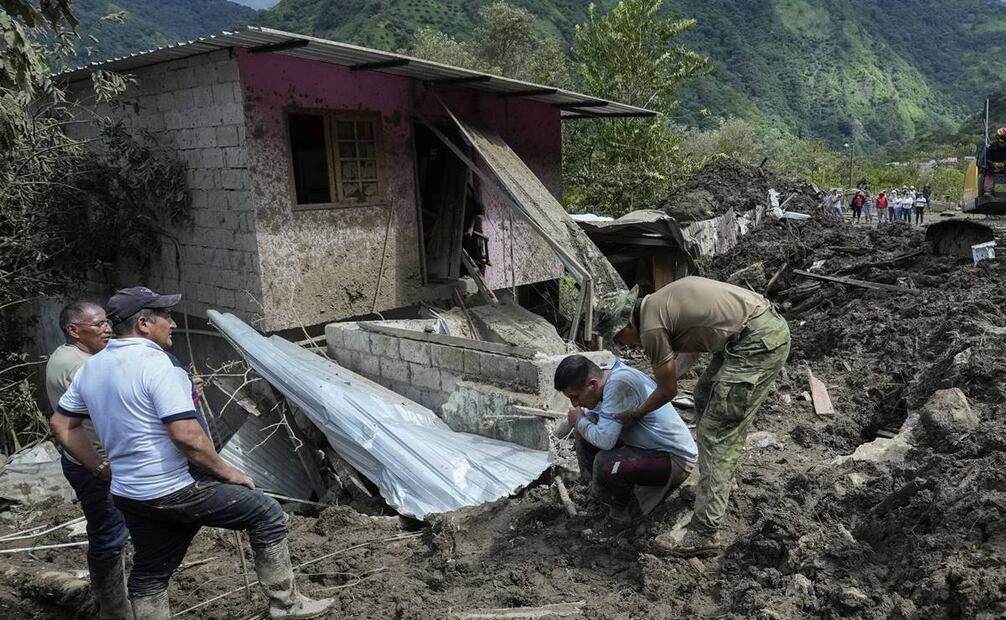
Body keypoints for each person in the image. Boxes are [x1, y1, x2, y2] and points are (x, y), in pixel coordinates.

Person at [55, 287, 334, 619]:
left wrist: (102, 468)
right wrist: (228, 471)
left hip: (130, 493)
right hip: (172, 489)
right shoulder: (157, 365)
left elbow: (62, 423)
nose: (173, 323)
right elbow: (186, 437)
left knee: (150, 573)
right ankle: (286, 605)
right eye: (167, 316)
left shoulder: (93, 367)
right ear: (144, 323)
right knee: (266, 513)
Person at [594, 277, 790, 556]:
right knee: (704, 396)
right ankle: (718, 479)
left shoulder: (651, 328)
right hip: (749, 331)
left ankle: (704, 532)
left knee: (716, 431)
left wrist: (636, 412)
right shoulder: (660, 304)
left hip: (757, 341)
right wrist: (659, 382)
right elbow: (694, 345)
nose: (624, 346)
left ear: (627, 323)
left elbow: (669, 390)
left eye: (619, 339)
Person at [47, 302, 131, 620]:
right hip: (94, 462)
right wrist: (101, 467)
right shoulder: (80, 366)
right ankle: (114, 610)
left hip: (90, 459)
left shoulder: (71, 356)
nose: (107, 328)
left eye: (108, 322)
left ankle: (112, 602)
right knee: (110, 533)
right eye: (99, 324)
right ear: (74, 330)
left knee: (110, 530)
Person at [554, 354, 697, 523]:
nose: (575, 404)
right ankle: (598, 493)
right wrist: (580, 422)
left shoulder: (618, 385)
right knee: (586, 428)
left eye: (575, 396)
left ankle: (620, 516)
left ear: (593, 385)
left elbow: (605, 441)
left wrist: (578, 421)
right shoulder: (605, 379)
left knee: (605, 461)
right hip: (649, 450)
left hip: (675, 459)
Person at [980, 128, 1006, 197]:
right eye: (1002, 142)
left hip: (1005, 168)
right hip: (992, 167)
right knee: (988, 173)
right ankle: (988, 191)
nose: (1003, 144)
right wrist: (992, 165)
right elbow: (987, 159)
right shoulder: (991, 147)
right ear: (998, 140)